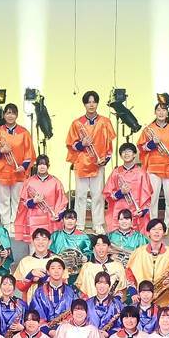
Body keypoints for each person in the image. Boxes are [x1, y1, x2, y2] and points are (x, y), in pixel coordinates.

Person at [67, 91, 117, 232]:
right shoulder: (77, 123)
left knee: (98, 195)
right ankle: (79, 224)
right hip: (81, 163)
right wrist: (82, 144)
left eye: (94, 101)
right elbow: (71, 144)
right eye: (88, 102)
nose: (91, 104)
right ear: (84, 104)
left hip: (98, 163)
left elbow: (109, 145)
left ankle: (98, 224)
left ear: (97, 103)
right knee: (80, 195)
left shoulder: (105, 122)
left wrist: (106, 159)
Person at [139, 97, 169, 220]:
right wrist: (152, 143)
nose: (161, 113)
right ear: (155, 112)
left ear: (167, 113)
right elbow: (141, 148)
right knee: (153, 197)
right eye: (158, 110)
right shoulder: (148, 129)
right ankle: (152, 222)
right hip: (153, 168)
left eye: (164, 110)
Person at [0, 101, 37, 224]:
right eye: (7, 113)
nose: (10, 116)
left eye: (13, 113)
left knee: (18, 199)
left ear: (17, 115)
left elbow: (29, 152)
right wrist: (1, 151)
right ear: (4, 115)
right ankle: (5, 224)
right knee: (4, 200)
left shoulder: (24, 132)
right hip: (3, 171)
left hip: (19, 171)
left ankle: (16, 224)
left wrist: (24, 166)